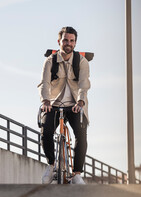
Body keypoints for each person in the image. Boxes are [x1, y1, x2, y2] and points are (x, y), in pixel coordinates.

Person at [37, 26, 90, 184]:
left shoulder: (81, 62)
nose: (68, 43)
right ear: (59, 41)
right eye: (65, 40)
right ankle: (51, 165)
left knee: (81, 134)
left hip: (74, 104)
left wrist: (80, 102)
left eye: (72, 41)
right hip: (53, 104)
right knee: (46, 131)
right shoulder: (50, 61)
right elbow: (44, 83)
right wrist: (45, 101)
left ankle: (77, 173)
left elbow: (83, 85)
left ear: (75, 43)